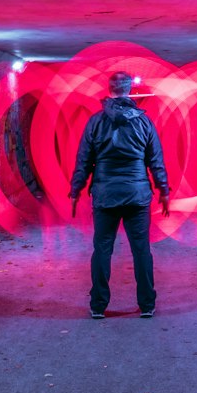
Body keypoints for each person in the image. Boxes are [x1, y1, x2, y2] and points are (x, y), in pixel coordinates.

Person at [70, 71, 170, 318]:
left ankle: (98, 306)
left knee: (102, 249)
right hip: (137, 194)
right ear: (129, 90)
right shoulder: (144, 122)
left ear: (109, 89)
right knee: (141, 250)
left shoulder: (95, 121)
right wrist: (164, 190)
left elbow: (84, 160)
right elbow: (155, 160)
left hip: (105, 194)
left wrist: (75, 190)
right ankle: (147, 305)